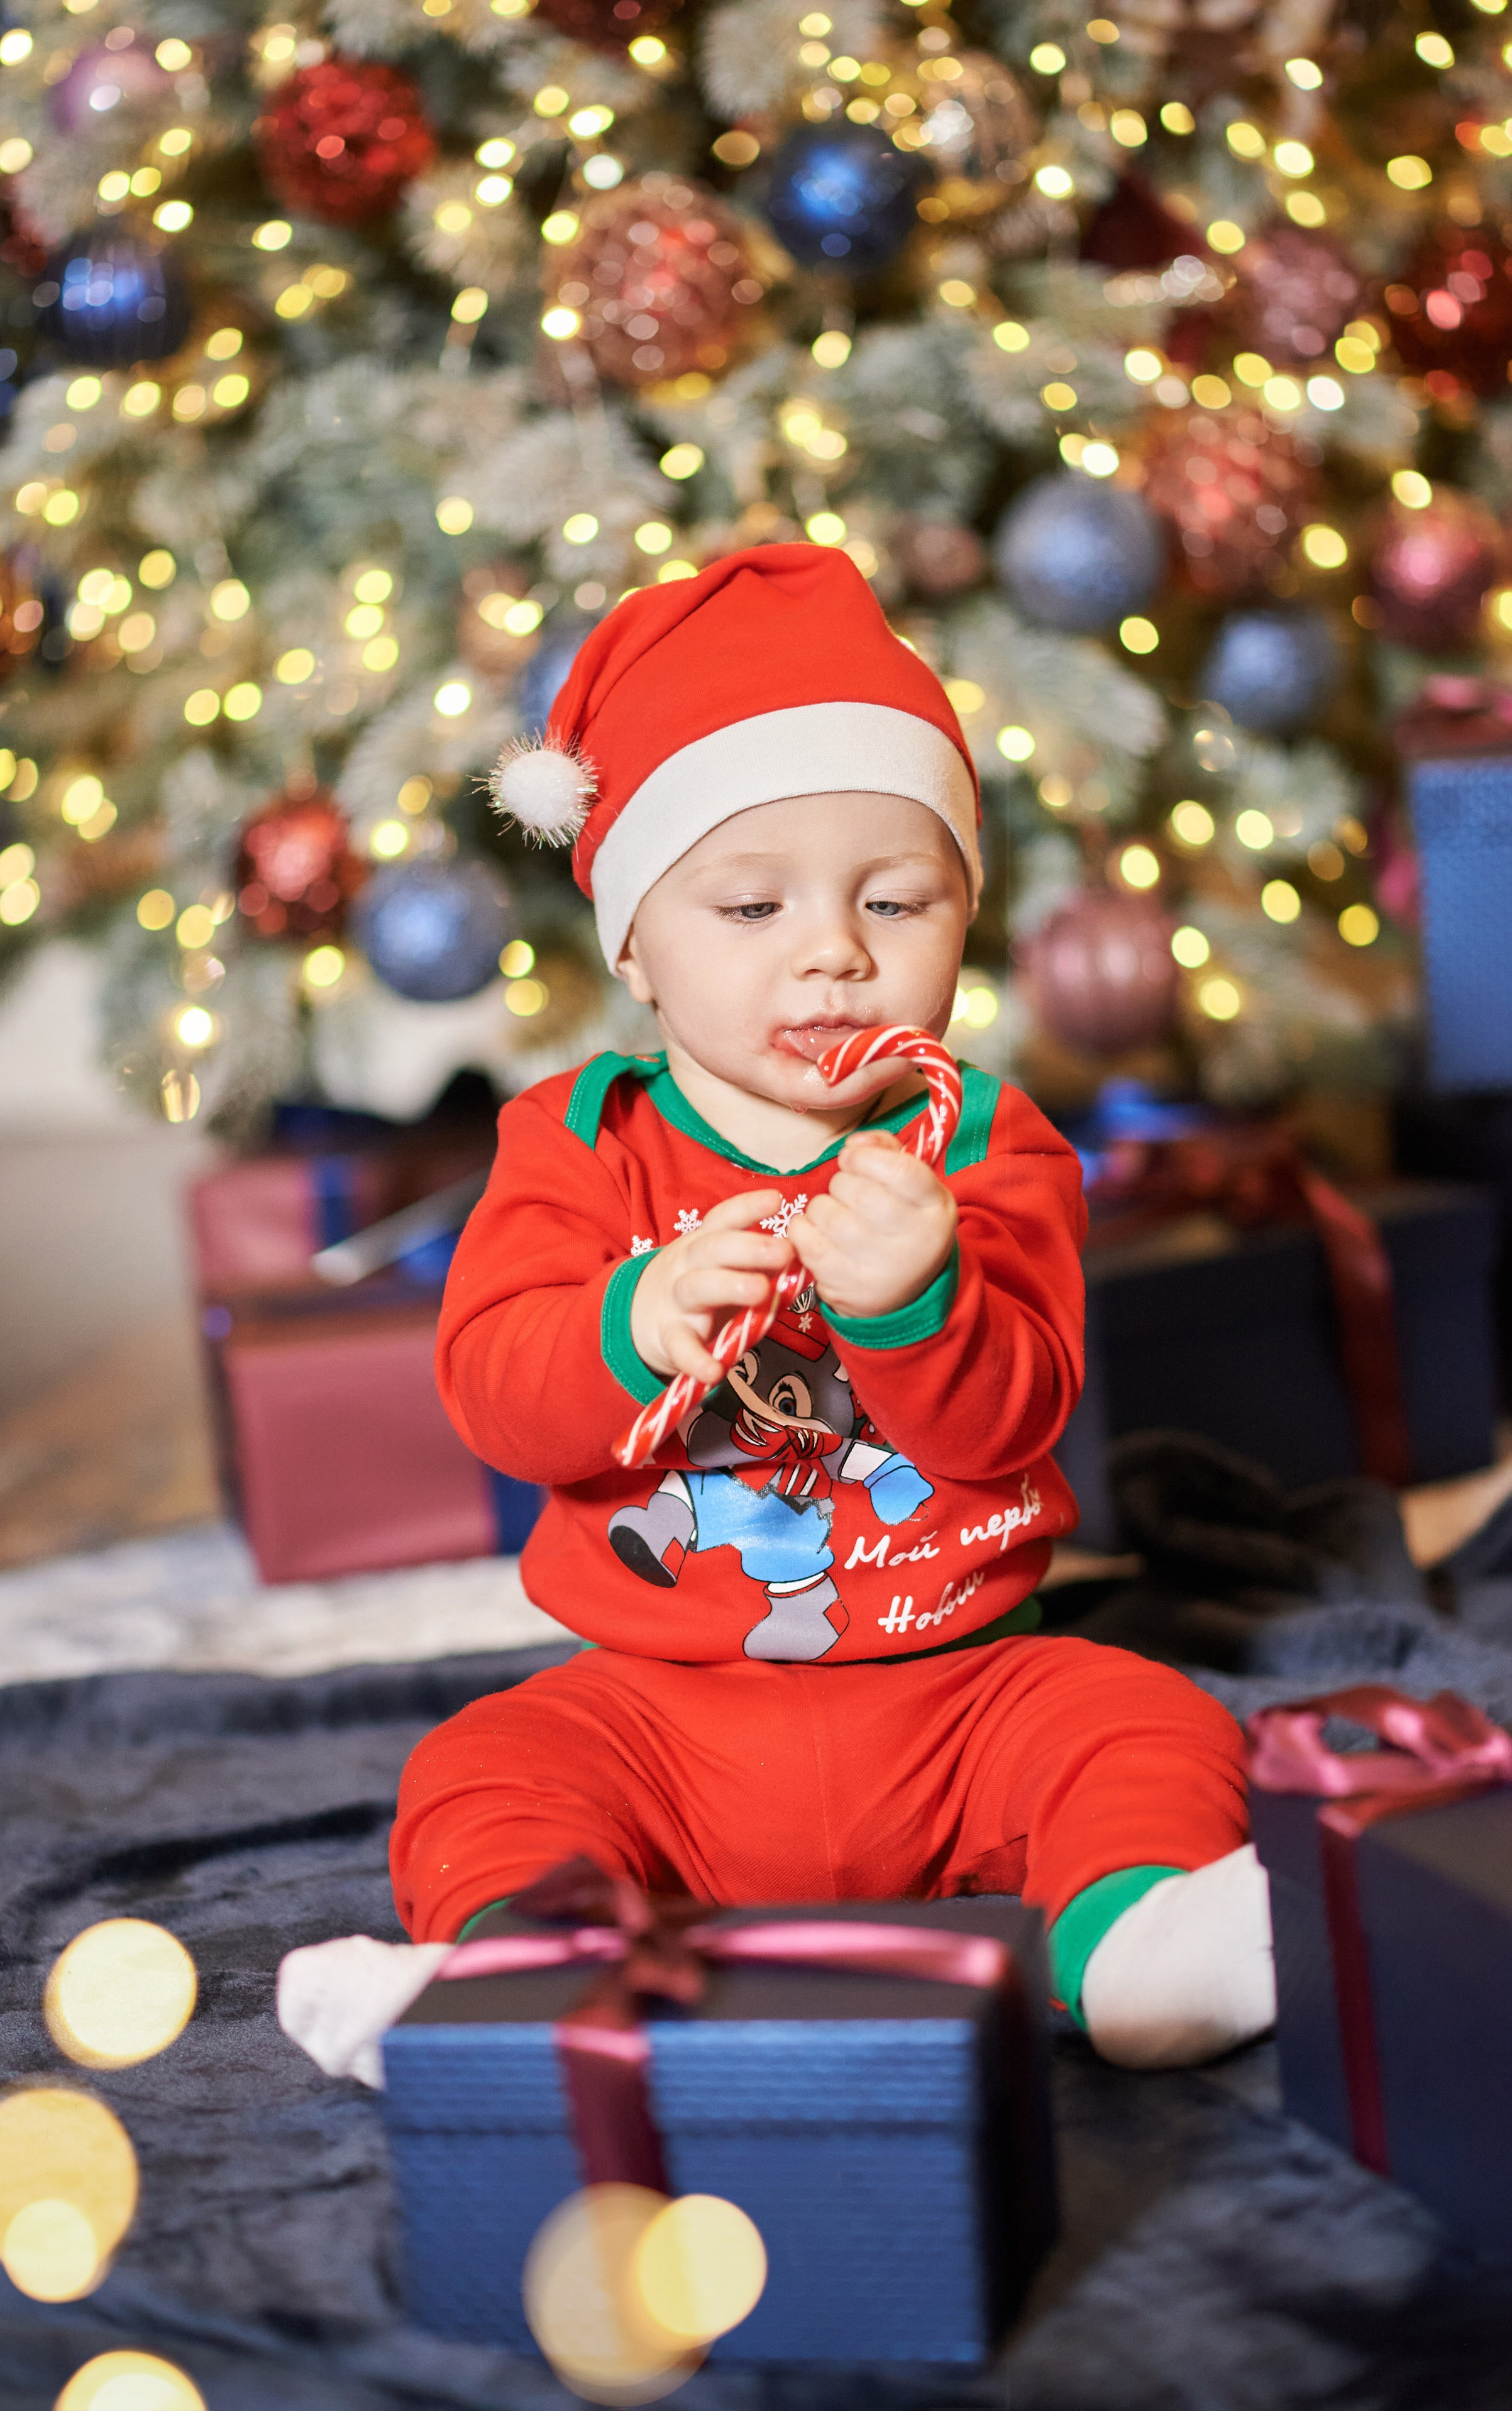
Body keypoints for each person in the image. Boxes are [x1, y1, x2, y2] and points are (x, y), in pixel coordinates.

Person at [390, 544, 1274, 2068]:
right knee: (483, 1768)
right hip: (663, 1709)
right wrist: (630, 1323)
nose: (833, 952)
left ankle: (1140, 1949)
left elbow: (1013, 1418)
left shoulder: (984, 1143)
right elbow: (492, 1391)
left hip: (958, 1687)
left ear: (962, 916)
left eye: (894, 899)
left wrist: (922, 1300)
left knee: (1145, 1722)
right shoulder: (578, 1142)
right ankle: (535, 1969)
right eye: (750, 905)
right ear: (634, 948)